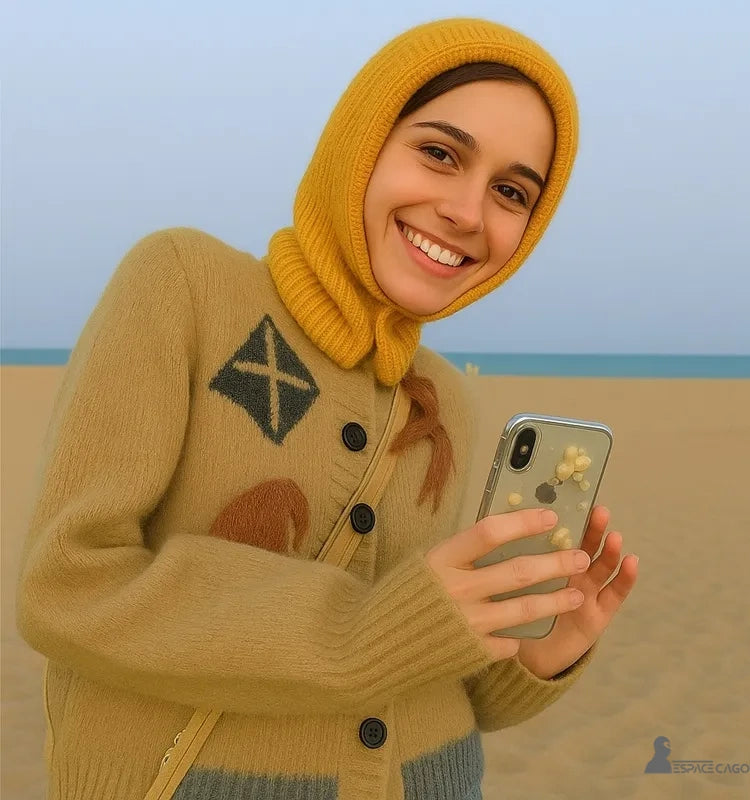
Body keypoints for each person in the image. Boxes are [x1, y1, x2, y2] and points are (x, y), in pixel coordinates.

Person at [15, 16, 638, 800]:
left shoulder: (445, 399)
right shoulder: (184, 285)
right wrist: (361, 629)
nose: (468, 212)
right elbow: (67, 587)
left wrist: (535, 656)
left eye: (511, 192)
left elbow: (421, 669)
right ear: (360, 144)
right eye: (440, 153)